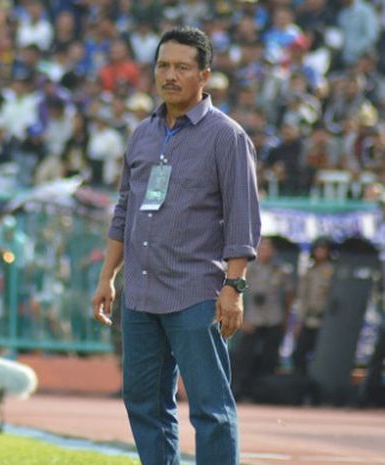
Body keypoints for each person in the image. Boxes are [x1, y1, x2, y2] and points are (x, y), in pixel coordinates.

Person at [91, 27, 261, 465]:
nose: (170, 75)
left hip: (195, 292)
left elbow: (243, 221)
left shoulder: (228, 137)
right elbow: (125, 210)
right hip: (141, 293)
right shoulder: (141, 135)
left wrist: (233, 288)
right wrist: (108, 275)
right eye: (163, 65)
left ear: (204, 75)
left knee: (211, 409)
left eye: (182, 67)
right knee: (144, 405)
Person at [231, 237, 294, 401]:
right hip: (252, 320)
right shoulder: (248, 269)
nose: (264, 252)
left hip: (273, 319)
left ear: (273, 251)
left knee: (269, 359)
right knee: (243, 358)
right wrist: (241, 320)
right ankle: (239, 392)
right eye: (261, 248)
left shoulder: (282, 270)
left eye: (267, 248)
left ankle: (265, 395)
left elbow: (289, 297)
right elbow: (237, 293)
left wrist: (286, 320)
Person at [292, 237, 334, 375]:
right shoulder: (309, 271)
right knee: (299, 354)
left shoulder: (333, 271)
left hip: (326, 321)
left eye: (324, 249)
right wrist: (299, 320)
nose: (320, 252)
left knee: (322, 356)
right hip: (308, 320)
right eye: (318, 249)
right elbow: (302, 298)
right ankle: (301, 384)